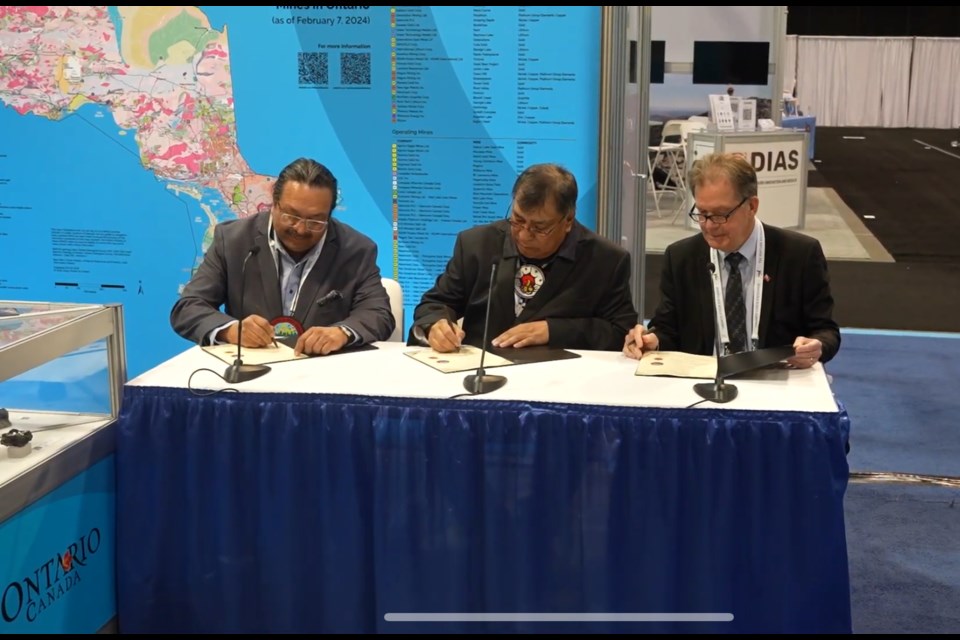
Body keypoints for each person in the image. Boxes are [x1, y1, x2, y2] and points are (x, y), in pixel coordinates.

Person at [623, 152, 840, 368]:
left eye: (720, 214)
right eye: (702, 212)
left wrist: (816, 346)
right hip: (701, 385)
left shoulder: (799, 254)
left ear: (752, 206)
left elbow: (826, 331)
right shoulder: (681, 257)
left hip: (778, 382)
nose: (709, 225)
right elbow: (668, 329)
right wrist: (653, 341)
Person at [170, 157, 394, 356]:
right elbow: (188, 308)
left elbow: (379, 314)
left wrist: (341, 332)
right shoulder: (233, 241)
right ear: (273, 204)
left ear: (329, 215)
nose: (301, 229)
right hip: (252, 377)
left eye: (315, 221)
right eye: (291, 215)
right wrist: (231, 330)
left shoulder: (356, 249)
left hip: (323, 375)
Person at [409, 162, 637, 352]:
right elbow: (436, 303)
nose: (524, 235)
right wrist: (435, 325)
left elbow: (621, 332)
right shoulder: (476, 244)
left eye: (539, 227)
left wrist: (552, 331)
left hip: (562, 384)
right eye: (517, 220)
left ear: (568, 220)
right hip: (479, 378)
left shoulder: (606, 260)